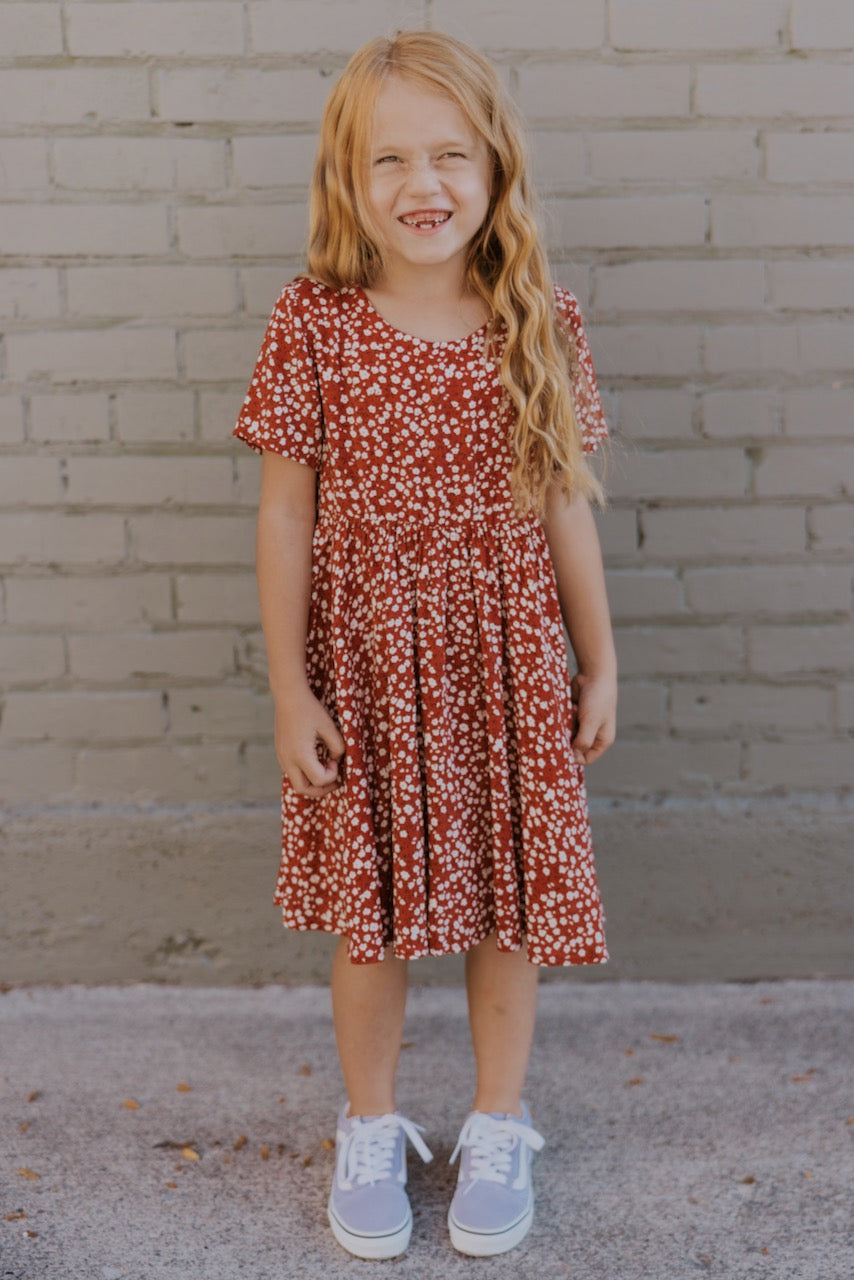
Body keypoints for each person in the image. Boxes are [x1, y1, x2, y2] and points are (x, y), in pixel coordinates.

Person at [233, 29, 617, 1261]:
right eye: (387, 158)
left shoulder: (534, 318)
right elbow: (284, 509)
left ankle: (497, 1122)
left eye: (449, 153)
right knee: (374, 911)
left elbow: (563, 498)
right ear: (347, 182)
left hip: (506, 660)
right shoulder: (314, 323)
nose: (422, 183)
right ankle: (370, 1120)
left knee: (508, 900)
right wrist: (291, 685)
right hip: (370, 663)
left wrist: (597, 658)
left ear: (495, 170)